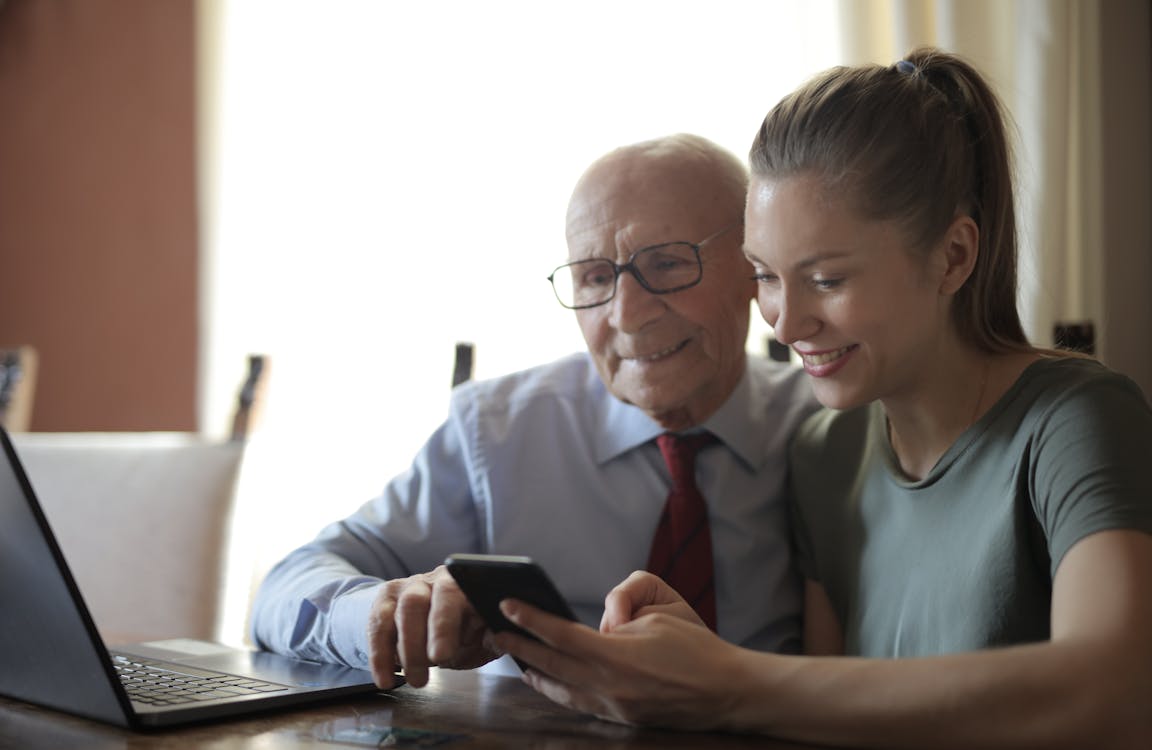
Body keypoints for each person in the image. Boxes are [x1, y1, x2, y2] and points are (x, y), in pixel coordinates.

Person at [492, 48, 1152, 749]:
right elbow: (824, 716)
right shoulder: (825, 453)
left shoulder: (1076, 420)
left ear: (953, 257)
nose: (783, 321)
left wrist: (726, 679)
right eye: (766, 276)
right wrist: (691, 659)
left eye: (827, 280)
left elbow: (1118, 692)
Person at [250, 133, 819, 690]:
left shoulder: (826, 431)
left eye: (667, 265)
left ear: (755, 267)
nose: (626, 314)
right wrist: (385, 610)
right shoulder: (498, 432)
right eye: (595, 277)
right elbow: (284, 591)